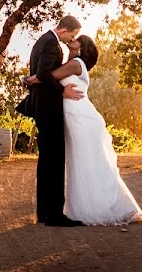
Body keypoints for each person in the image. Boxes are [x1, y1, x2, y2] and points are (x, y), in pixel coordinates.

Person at [25, 34, 142, 226]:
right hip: (74, 116)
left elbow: (48, 76)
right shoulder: (72, 62)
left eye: (76, 38)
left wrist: (29, 79)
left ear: (81, 46)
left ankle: (106, 207)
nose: (72, 39)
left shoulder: (76, 64)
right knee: (80, 163)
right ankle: (85, 207)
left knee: (89, 162)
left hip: (82, 117)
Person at [26, 15, 85, 227]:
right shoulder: (51, 43)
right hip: (49, 107)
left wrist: (71, 51)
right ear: (64, 30)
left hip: (42, 106)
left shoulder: (44, 40)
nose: (72, 38)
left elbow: (42, 73)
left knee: (46, 161)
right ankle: (55, 215)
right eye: (72, 34)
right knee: (55, 160)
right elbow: (43, 73)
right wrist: (62, 91)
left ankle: (44, 212)